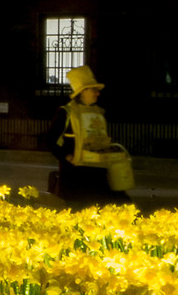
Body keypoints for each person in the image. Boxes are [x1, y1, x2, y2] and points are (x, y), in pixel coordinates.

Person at [54, 65, 129, 204]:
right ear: (83, 92)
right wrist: (66, 156)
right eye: (94, 89)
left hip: (97, 174)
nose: (98, 93)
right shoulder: (67, 112)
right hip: (76, 177)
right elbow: (50, 140)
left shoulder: (99, 112)